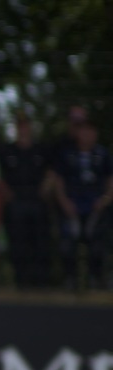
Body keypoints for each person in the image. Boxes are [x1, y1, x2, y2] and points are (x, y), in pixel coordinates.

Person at [53, 121, 113, 288]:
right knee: (67, 245)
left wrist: (105, 200)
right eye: (84, 131)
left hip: (96, 209)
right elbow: (58, 182)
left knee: (99, 245)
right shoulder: (67, 155)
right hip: (72, 207)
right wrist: (65, 202)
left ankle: (97, 279)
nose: (87, 135)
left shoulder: (103, 154)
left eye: (91, 131)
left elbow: (111, 182)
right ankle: (70, 279)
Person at [0, 115, 53, 287]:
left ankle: (41, 282)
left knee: (40, 243)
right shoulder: (8, 150)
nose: (23, 129)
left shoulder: (41, 149)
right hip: (16, 203)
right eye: (19, 125)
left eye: (25, 125)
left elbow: (51, 172)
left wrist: (45, 188)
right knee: (18, 243)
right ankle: (20, 280)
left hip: (37, 202)